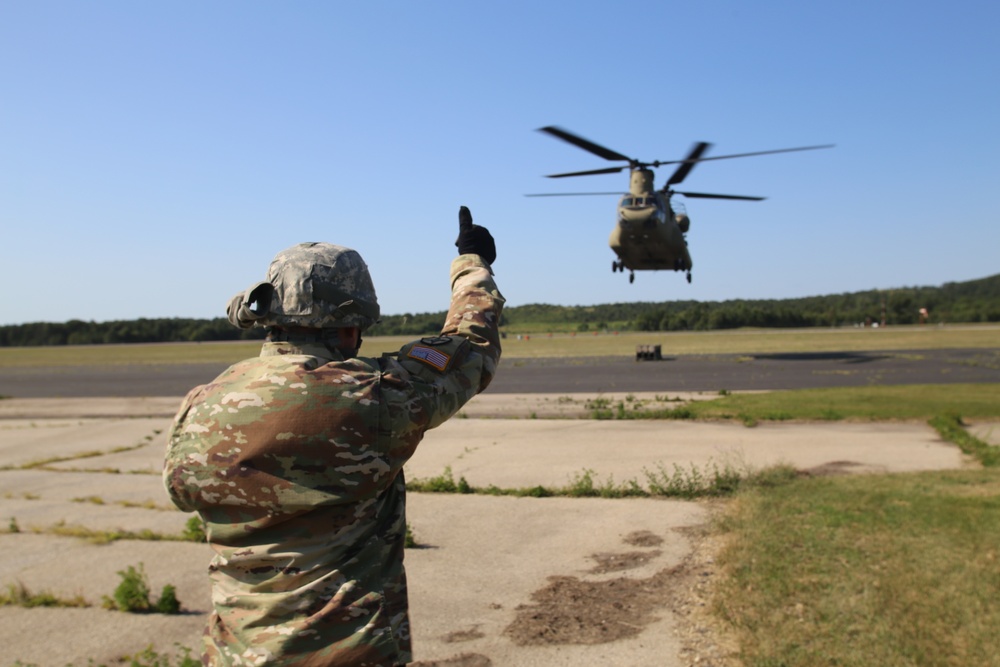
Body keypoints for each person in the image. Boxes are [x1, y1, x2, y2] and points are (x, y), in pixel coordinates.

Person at [163, 206, 502, 666]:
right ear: (351, 322)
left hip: (235, 655)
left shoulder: (201, 404)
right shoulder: (380, 396)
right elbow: (470, 342)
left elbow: (182, 493)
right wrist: (471, 264)